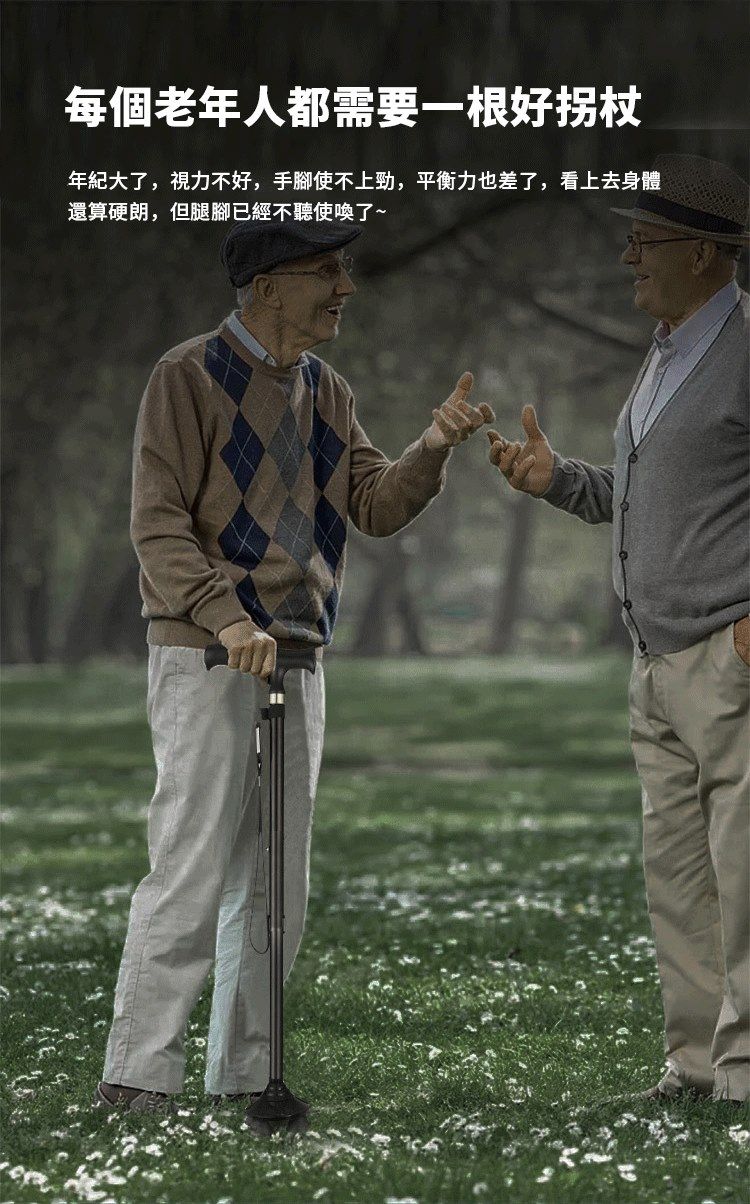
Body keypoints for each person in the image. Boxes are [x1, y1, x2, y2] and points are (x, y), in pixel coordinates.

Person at [95, 220, 494, 1112]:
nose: (345, 287)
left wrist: (431, 448)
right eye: (327, 270)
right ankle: (136, 1077)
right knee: (191, 868)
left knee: (277, 889)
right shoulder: (185, 376)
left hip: (300, 658)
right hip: (208, 656)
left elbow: (372, 503)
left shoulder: (327, 389)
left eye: (344, 268)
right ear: (267, 285)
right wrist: (225, 618)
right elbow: (157, 524)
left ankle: (244, 1079)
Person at [487, 154, 749, 1106]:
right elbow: (641, 499)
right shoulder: (668, 351)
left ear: (709, 252)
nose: (626, 250)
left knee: (746, 880)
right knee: (680, 881)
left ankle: (747, 1080)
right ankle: (694, 1071)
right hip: (656, 665)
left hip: (730, 661)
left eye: (647, 235)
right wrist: (556, 478)